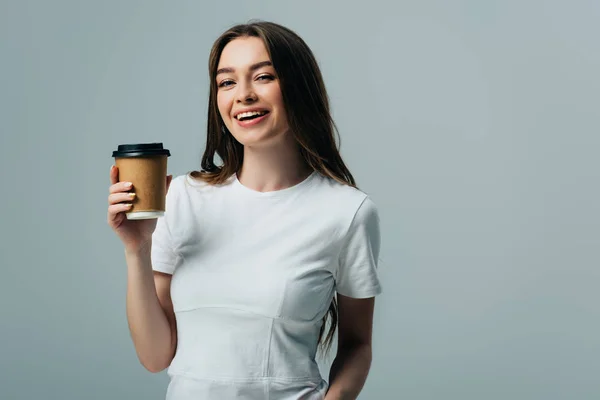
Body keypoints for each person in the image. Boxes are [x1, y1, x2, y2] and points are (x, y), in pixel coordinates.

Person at [107, 20, 382, 400]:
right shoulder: (182, 198)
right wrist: (136, 249)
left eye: (263, 77)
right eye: (227, 82)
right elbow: (155, 357)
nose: (244, 95)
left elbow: (357, 345)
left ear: (298, 87)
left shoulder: (348, 212)